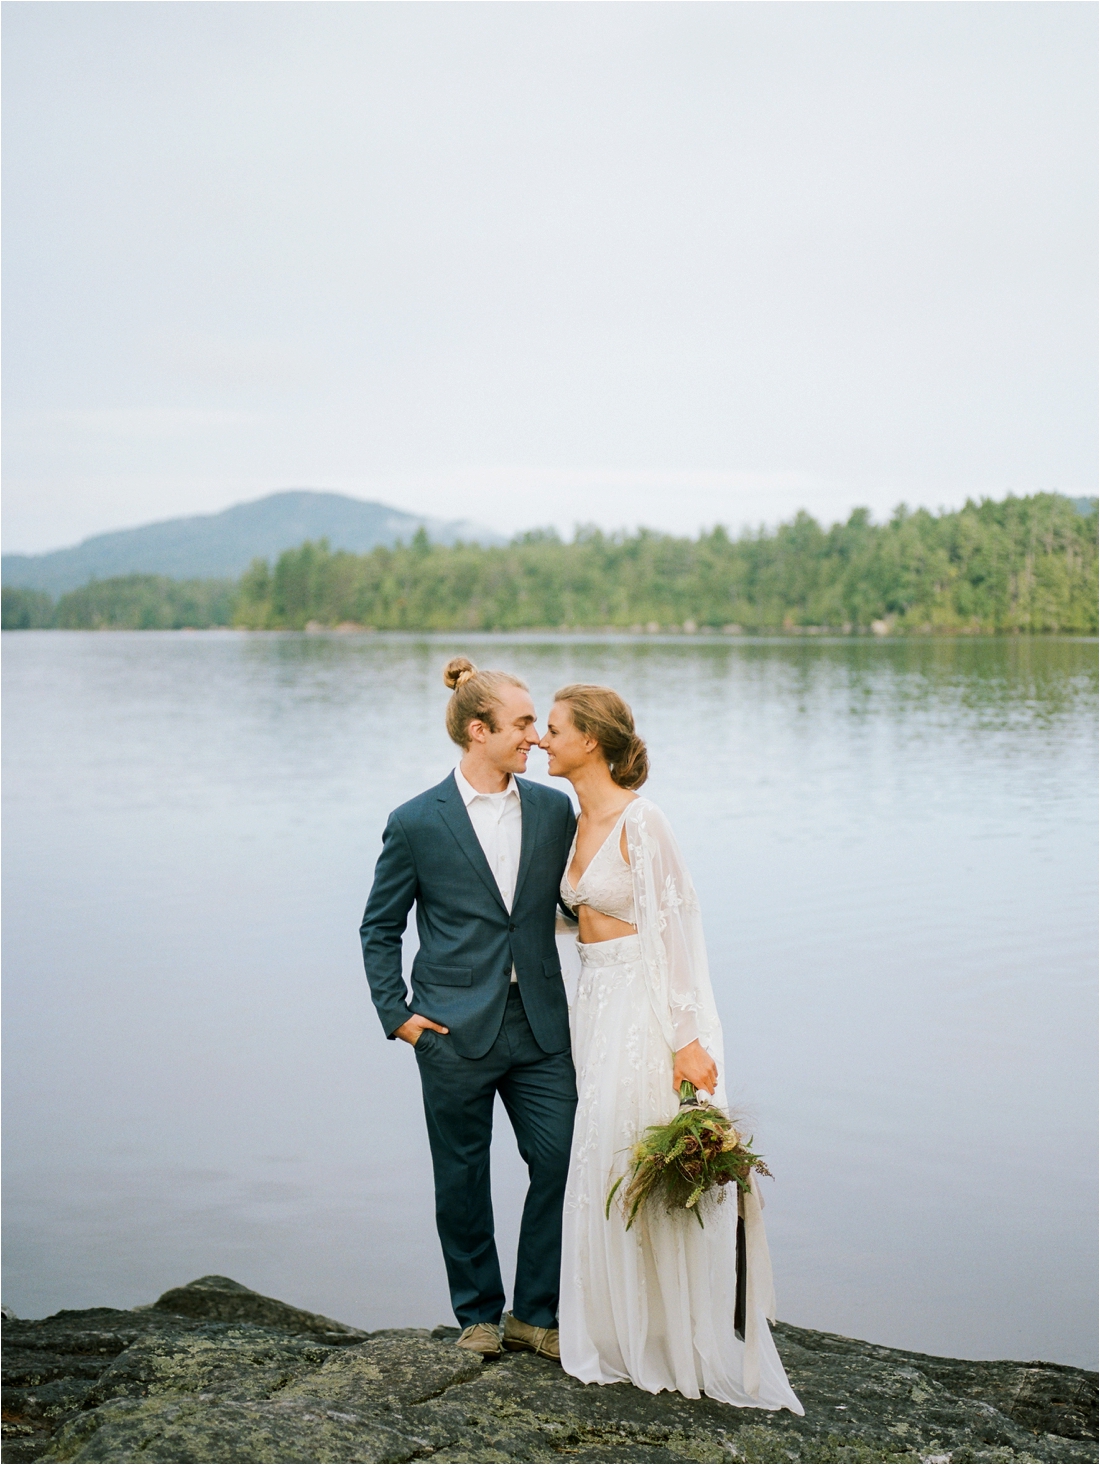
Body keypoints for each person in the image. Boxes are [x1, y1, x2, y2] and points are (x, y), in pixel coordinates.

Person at [541, 684, 803, 1412]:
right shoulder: (571, 821)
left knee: (638, 1151)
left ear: (590, 739)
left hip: (644, 1006)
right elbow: (578, 918)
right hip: (593, 1001)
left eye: (554, 728)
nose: (543, 739)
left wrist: (686, 1040)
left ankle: (669, 1336)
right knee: (601, 1154)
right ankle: (614, 1331)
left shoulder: (643, 820)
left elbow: (677, 931)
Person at [360, 658, 577, 1362]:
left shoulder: (552, 809)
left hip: (540, 1024)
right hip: (451, 1030)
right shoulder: (417, 821)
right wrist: (398, 1015)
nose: (535, 737)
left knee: (561, 1155)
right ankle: (479, 1312)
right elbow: (379, 926)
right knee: (461, 1175)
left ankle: (535, 1311)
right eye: (521, 724)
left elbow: (573, 901)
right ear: (477, 730)